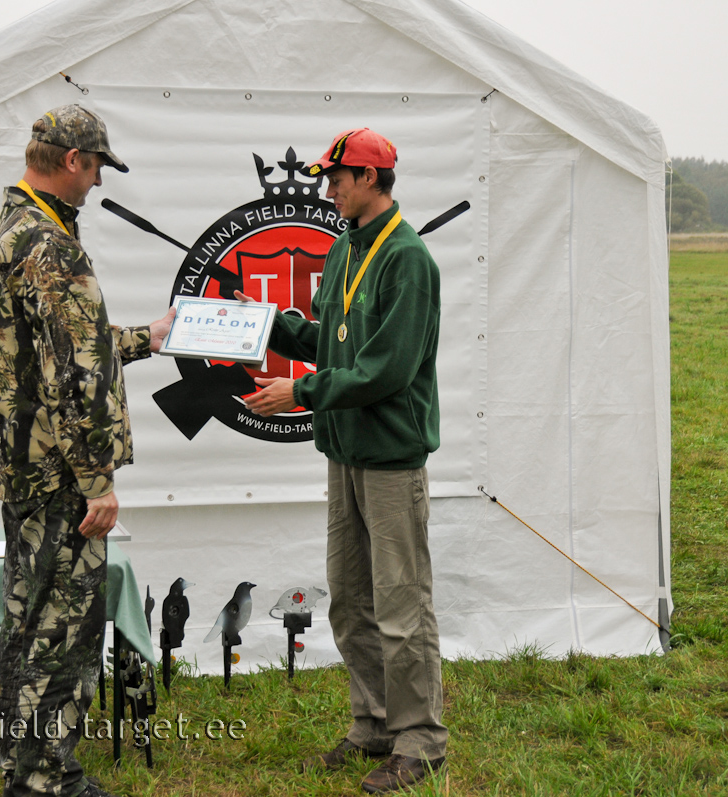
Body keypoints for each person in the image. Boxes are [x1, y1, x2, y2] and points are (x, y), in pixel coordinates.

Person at [0, 104, 174, 797]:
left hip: (21, 468)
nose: (96, 183)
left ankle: (19, 769)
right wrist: (98, 480)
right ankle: (50, 777)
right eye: (95, 168)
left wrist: (149, 334)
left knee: (25, 623)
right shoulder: (51, 244)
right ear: (71, 160)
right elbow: (78, 372)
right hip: (61, 476)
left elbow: (45, 351)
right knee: (64, 631)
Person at [239, 127, 448, 793]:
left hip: (390, 457)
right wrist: (267, 321)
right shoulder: (341, 250)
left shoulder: (408, 259)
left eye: (337, 178)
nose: (328, 189)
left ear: (369, 179)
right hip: (345, 452)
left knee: (401, 603)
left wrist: (301, 390)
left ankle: (421, 739)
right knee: (352, 600)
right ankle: (373, 721)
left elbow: (386, 369)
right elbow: (326, 339)